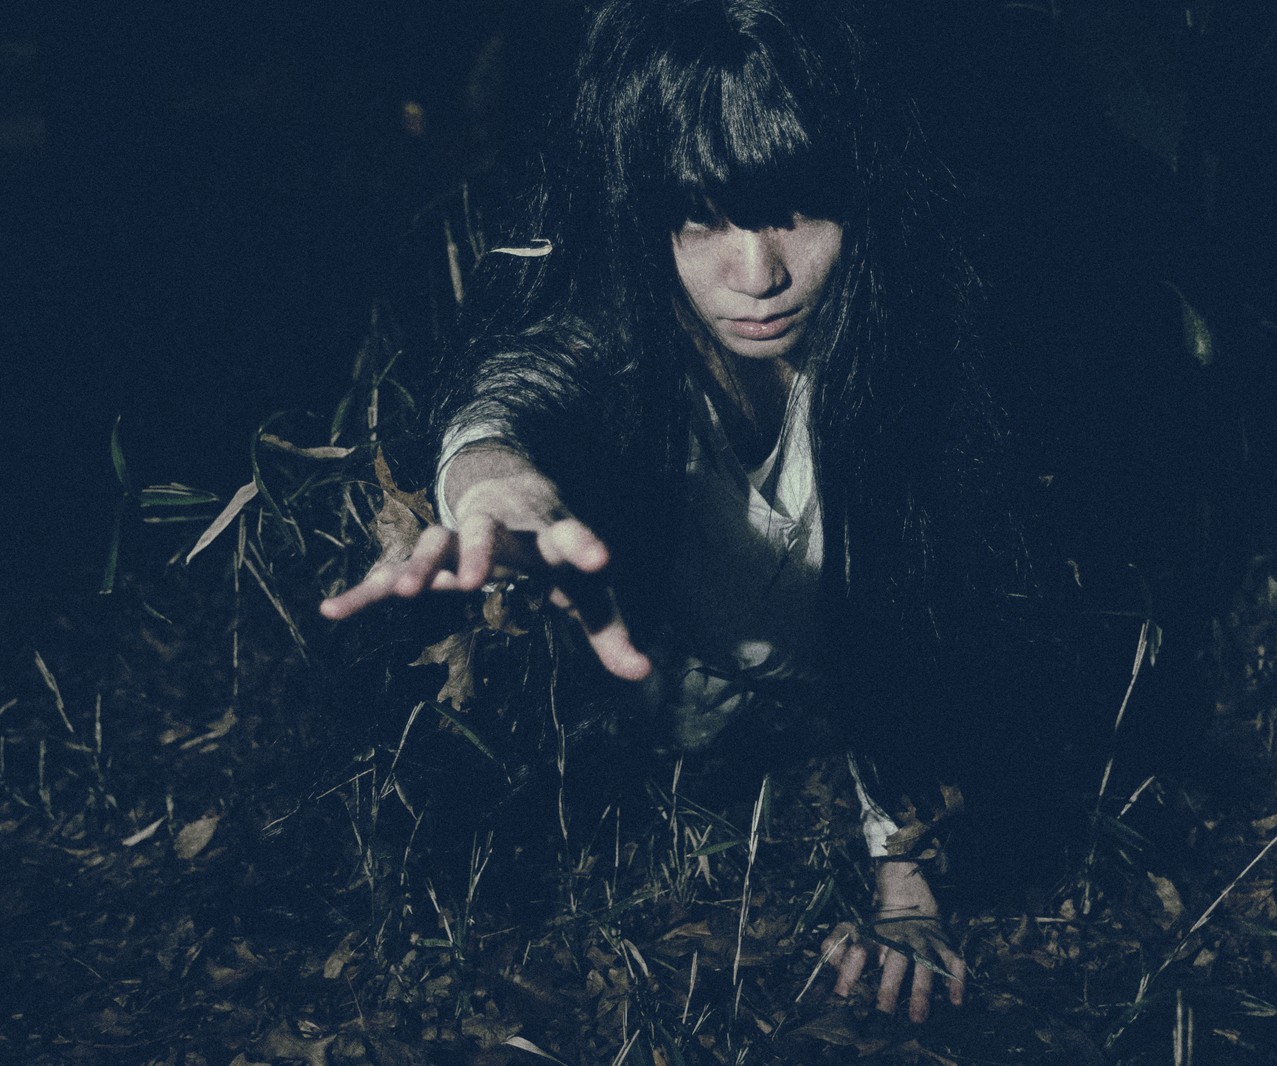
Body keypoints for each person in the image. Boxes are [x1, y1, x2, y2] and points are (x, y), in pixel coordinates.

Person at [322, 0, 1045, 1024]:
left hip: (850, 703)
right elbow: (526, 385)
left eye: (797, 208)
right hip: (663, 722)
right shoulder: (616, 326)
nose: (759, 275)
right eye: (699, 215)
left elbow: (931, 602)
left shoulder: (919, 351)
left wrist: (906, 886)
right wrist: (492, 480)